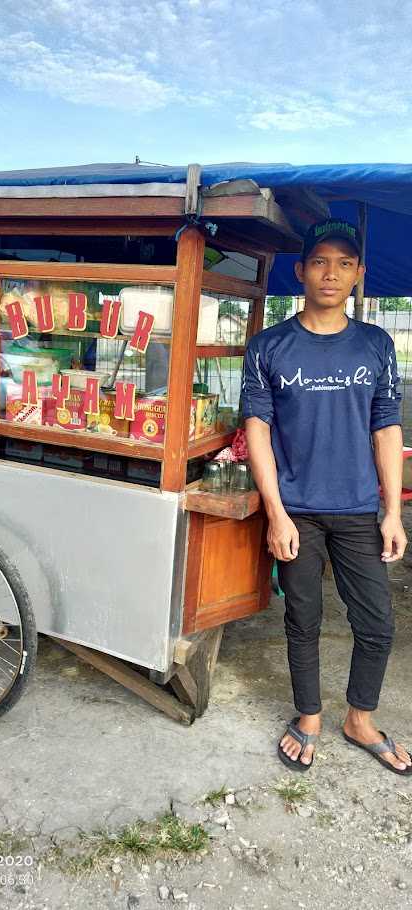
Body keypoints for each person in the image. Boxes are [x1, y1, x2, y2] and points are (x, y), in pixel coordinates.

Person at [241, 219, 411, 775]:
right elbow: (258, 432)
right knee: (303, 618)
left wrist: (392, 511)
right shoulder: (269, 346)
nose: (330, 273)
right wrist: (276, 513)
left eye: (343, 263)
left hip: (359, 507)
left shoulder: (375, 344)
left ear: (359, 273)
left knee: (377, 622)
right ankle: (309, 716)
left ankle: (359, 717)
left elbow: (387, 430)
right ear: (301, 271)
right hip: (298, 511)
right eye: (319, 261)